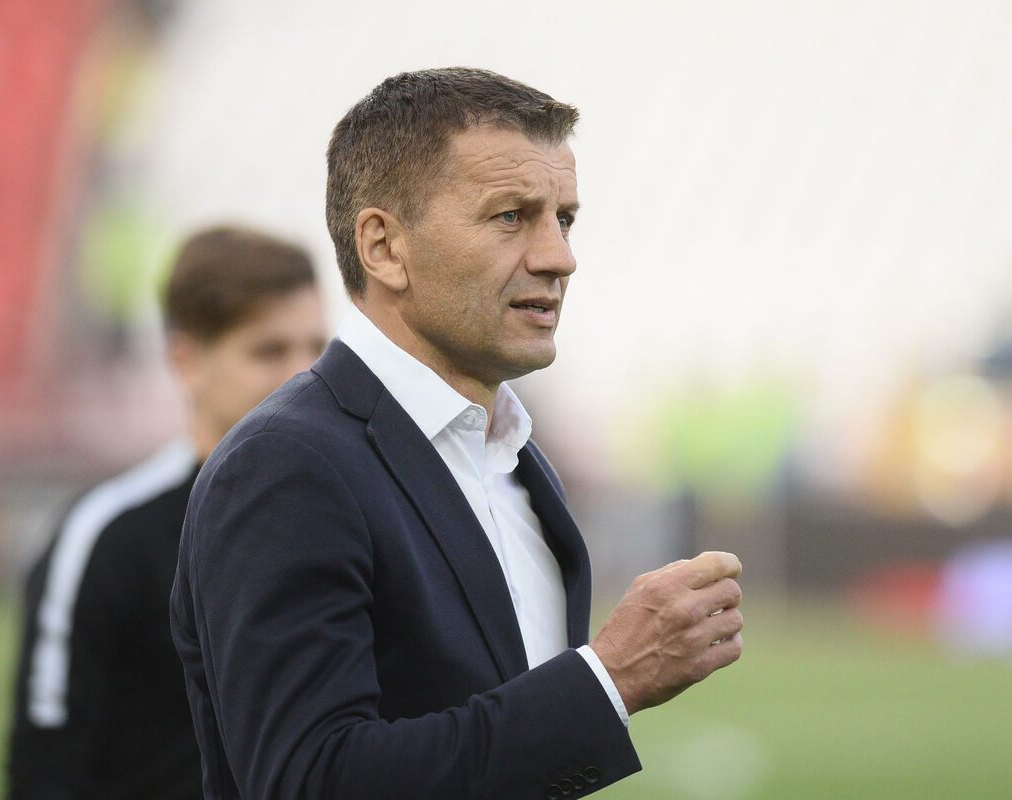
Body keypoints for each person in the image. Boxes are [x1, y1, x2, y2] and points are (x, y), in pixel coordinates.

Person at [170, 67, 744, 800]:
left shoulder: (515, 461)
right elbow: (311, 782)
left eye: (564, 219)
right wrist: (608, 681)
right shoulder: (286, 466)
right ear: (384, 247)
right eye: (511, 216)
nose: (558, 256)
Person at [8, 227, 328, 799]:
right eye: (269, 351)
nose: (303, 375)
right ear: (187, 361)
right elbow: (45, 769)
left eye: (315, 348)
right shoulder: (107, 537)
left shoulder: (351, 517)